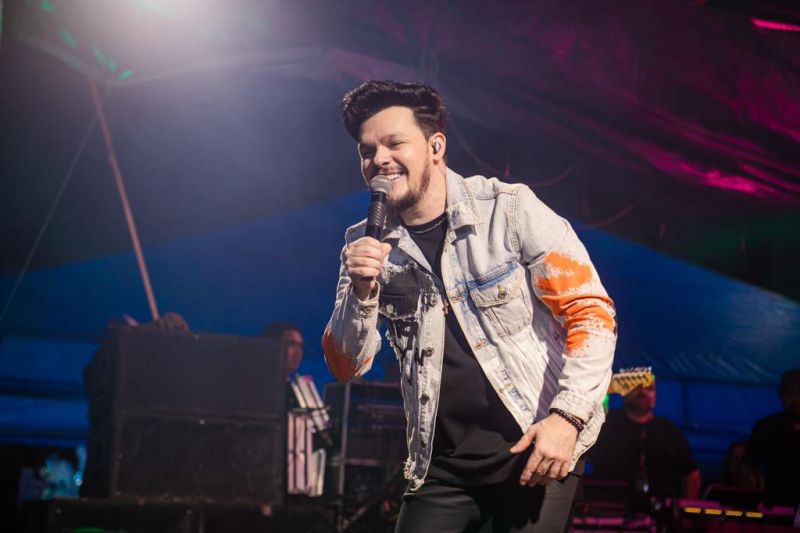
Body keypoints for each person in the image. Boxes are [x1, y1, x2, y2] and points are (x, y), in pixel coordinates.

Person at [321, 80, 617, 531]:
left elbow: (590, 312)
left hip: (534, 448)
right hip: (442, 466)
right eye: (367, 151)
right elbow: (346, 366)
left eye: (395, 143)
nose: (379, 159)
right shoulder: (364, 245)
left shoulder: (509, 210)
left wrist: (567, 419)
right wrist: (361, 292)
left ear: (435, 146)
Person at [588, 381, 701, 504]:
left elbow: (691, 473)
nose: (642, 392)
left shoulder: (669, 430)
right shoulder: (605, 426)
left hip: (661, 510)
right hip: (611, 507)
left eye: (649, 388)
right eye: (636, 386)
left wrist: (685, 508)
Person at [742, 368, 800, 507]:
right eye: (790, 393)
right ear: (781, 394)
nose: (796, 399)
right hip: (775, 505)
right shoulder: (767, 426)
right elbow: (748, 467)